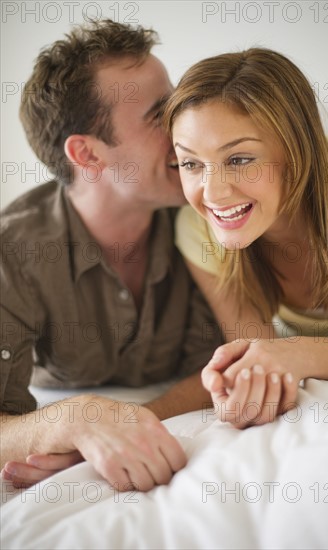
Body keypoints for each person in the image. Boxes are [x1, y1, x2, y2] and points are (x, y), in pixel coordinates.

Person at [0, 20, 222, 491]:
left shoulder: (214, 208)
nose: (186, 124)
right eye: (160, 114)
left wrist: (130, 421)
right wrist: (72, 419)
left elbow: (232, 360)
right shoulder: (13, 254)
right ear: (87, 154)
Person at [163, 48, 328, 429]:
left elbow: (279, 355)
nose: (213, 193)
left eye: (239, 159)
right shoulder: (195, 229)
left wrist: (298, 354)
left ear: (297, 151)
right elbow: (258, 360)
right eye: (191, 164)